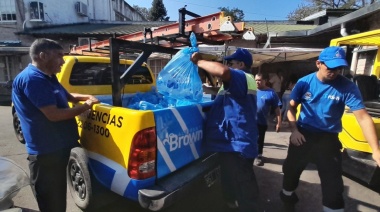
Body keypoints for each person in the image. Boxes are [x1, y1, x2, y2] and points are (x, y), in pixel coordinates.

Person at [279, 46, 380, 211]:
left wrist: (375, 150)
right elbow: (290, 108)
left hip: (328, 140)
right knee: (290, 172)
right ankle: (288, 199)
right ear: (319, 63)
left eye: (339, 68)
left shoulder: (347, 86)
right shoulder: (305, 83)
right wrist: (294, 130)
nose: (334, 71)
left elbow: (363, 117)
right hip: (303, 136)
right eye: (330, 67)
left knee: (333, 186)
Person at [12, 38, 99, 212]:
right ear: (43, 56)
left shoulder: (49, 77)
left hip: (58, 148)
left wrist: (86, 97)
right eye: (59, 56)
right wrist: (86, 106)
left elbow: (68, 96)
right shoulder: (34, 80)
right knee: (51, 202)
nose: (63, 60)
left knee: (58, 196)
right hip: (46, 154)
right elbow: (54, 115)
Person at [191, 48, 260, 211]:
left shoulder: (242, 76)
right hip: (231, 143)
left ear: (241, 64)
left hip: (237, 144)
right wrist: (209, 90)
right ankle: (231, 204)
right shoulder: (242, 82)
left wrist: (198, 61)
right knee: (231, 181)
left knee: (244, 189)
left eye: (231, 63)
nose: (227, 65)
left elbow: (222, 71)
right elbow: (229, 94)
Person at [254, 72, 282, 166]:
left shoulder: (271, 92)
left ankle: (258, 156)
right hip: (250, 121)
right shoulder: (251, 91)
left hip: (261, 121)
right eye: (256, 80)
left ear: (265, 81)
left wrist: (279, 122)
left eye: (259, 80)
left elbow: (277, 109)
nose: (257, 82)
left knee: (259, 140)